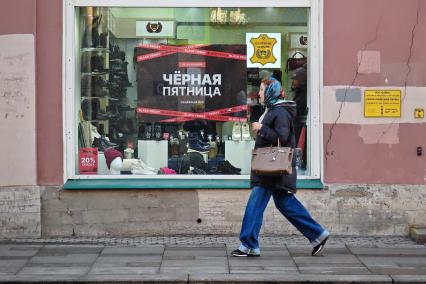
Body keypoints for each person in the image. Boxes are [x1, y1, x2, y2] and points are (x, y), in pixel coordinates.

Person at [232, 76, 329, 257]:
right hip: (273, 168)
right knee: (285, 203)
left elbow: (283, 138)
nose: (259, 93)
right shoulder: (274, 109)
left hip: (271, 168)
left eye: (261, 90)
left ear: (271, 91)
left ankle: (248, 244)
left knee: (255, 204)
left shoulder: (280, 111)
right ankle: (317, 234)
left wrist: (262, 128)